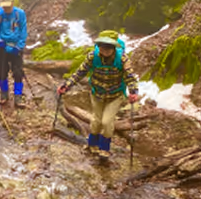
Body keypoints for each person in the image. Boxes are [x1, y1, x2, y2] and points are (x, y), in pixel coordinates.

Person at [58, 30, 140, 161]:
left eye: (108, 47)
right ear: (99, 46)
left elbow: (130, 77)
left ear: (114, 47)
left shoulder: (122, 59)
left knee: (106, 122)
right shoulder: (92, 56)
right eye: (102, 46)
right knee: (96, 121)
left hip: (115, 95)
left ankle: (104, 149)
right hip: (97, 94)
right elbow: (80, 72)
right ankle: (92, 145)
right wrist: (66, 85)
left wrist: (133, 92)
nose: (105, 49)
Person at [0, 0, 28, 108]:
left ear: (12, 2)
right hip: (3, 48)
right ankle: (4, 94)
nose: (6, 8)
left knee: (17, 72)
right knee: (2, 72)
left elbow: (23, 31)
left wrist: (19, 46)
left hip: (16, 47)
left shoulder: (19, 14)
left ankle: (18, 96)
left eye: (8, 6)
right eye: (4, 6)